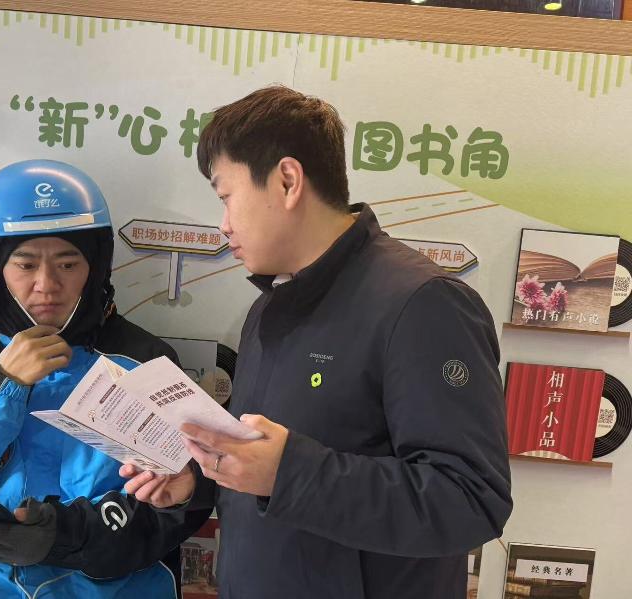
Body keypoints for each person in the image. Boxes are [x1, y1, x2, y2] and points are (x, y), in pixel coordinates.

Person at [122, 86, 513, 599]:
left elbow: (470, 500)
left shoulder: (423, 303)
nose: (223, 226)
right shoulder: (268, 308)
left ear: (287, 181)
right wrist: (198, 479)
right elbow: (263, 465)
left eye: (226, 197)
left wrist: (289, 473)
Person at [0, 160, 210, 598]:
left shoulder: (144, 361)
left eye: (67, 264)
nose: (46, 285)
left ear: (95, 267)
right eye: (25, 265)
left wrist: (64, 535)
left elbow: (176, 506)